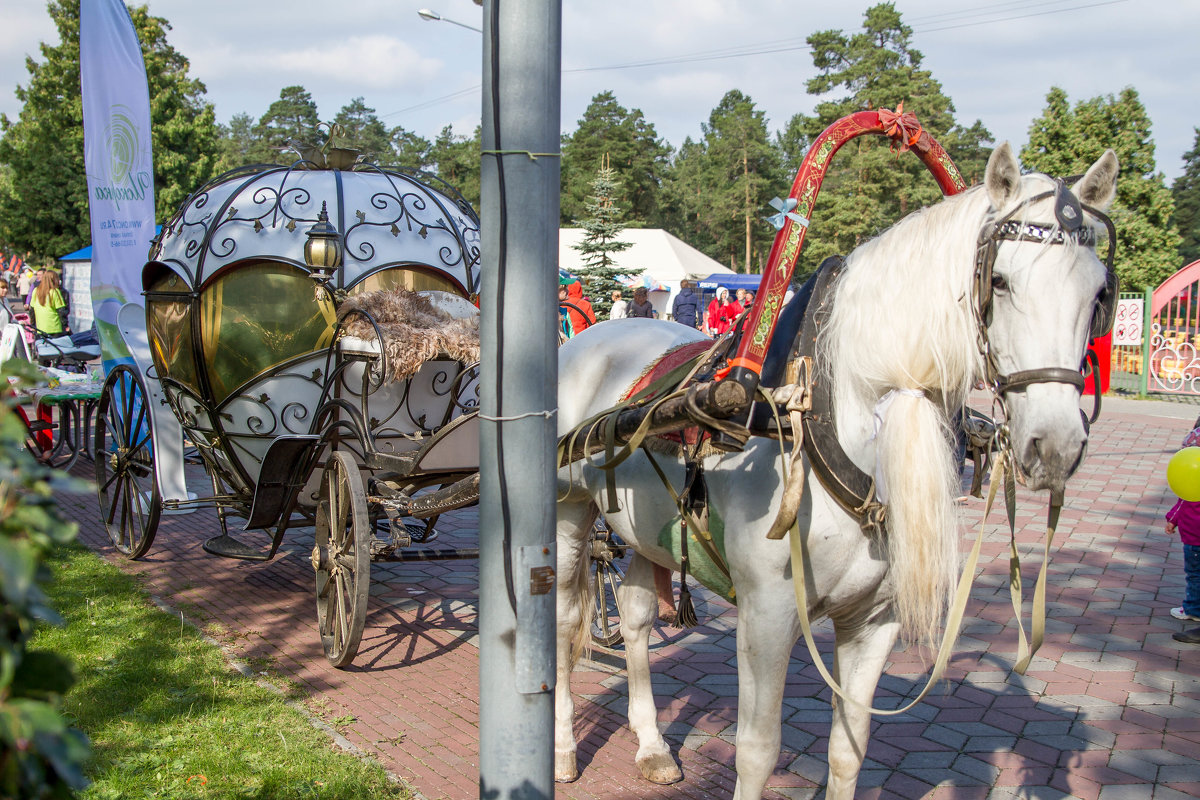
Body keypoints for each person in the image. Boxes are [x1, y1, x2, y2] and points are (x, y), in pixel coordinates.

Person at [1167, 425, 1200, 627]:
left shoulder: (1191, 484)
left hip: (1194, 540)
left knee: (1195, 575)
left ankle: (1192, 609)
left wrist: (1171, 520)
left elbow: (1181, 505)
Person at [29, 269, 69, 336]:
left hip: (40, 328)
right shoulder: (55, 292)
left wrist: (33, 325)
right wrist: (65, 325)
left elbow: (32, 310)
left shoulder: (36, 291)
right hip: (55, 328)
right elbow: (61, 311)